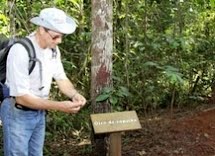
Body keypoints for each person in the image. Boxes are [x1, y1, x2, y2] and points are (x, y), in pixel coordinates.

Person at [0, 7, 86, 156]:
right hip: (17, 112)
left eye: (61, 36)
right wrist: (59, 106)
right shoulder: (20, 51)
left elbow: (61, 78)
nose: (59, 41)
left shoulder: (53, 50)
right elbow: (21, 97)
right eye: (55, 37)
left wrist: (74, 94)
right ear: (41, 29)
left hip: (39, 113)